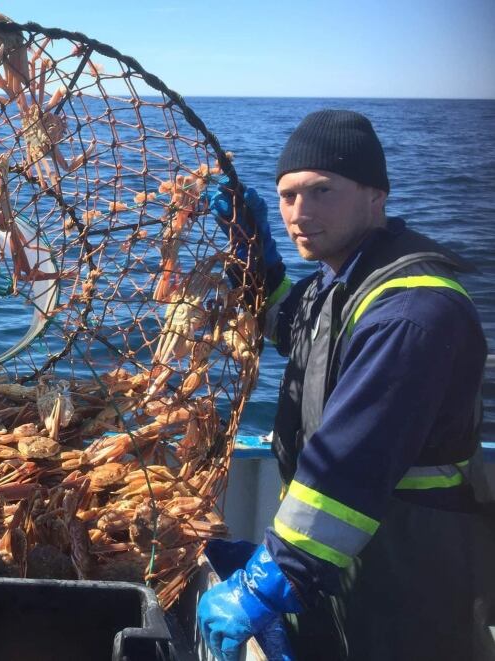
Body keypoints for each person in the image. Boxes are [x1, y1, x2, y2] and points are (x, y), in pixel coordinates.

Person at [197, 109, 495, 660]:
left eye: (321, 191)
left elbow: (348, 469)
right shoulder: (343, 279)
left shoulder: (412, 312)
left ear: (376, 194)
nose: (299, 213)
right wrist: (254, 252)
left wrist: (268, 577)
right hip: (344, 564)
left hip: (409, 572)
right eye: (287, 197)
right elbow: (295, 326)